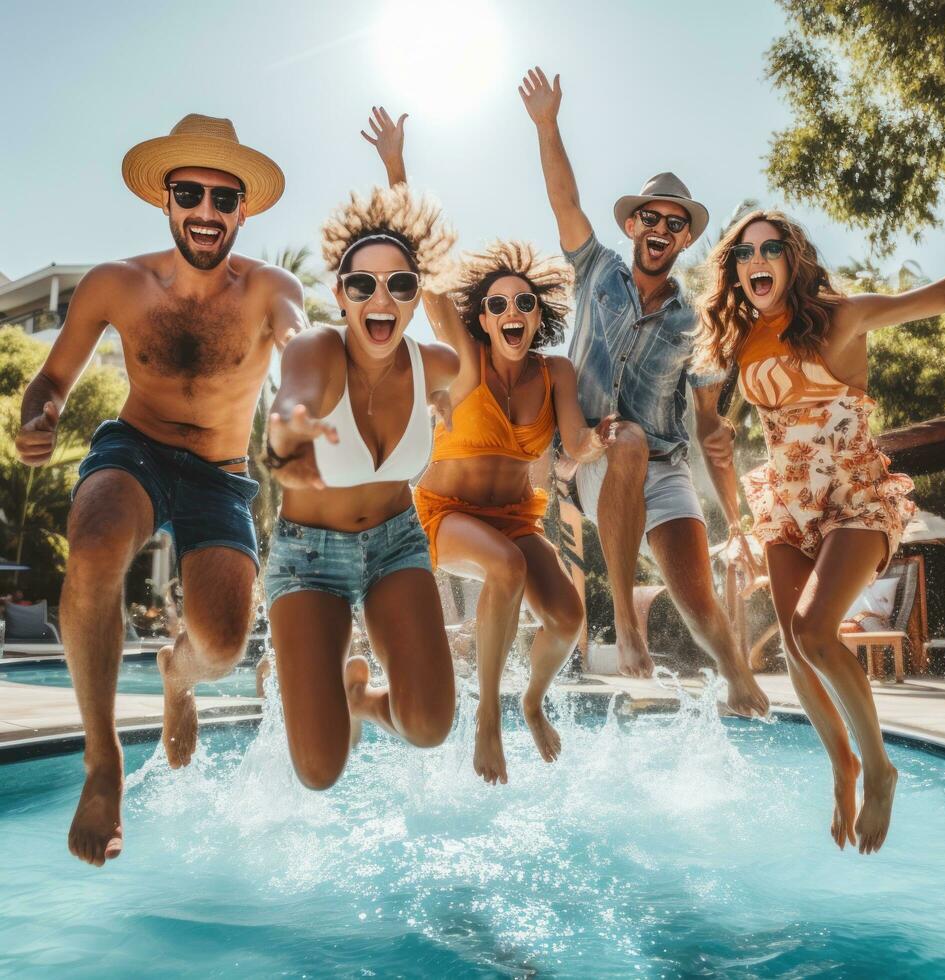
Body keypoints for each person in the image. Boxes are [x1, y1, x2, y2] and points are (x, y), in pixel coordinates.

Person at [15, 114, 300, 867]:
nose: (206, 210)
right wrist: (38, 412)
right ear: (165, 201)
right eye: (189, 193)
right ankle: (102, 760)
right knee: (97, 535)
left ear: (245, 210)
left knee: (223, 644)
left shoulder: (270, 288)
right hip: (134, 446)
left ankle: (179, 677)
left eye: (223, 197)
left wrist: (308, 394)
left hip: (221, 474)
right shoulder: (117, 284)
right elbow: (52, 377)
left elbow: (299, 338)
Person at [697, 208, 945, 852]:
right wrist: (733, 510)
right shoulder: (740, 342)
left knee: (815, 631)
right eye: (744, 254)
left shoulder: (844, 318)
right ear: (736, 272)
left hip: (855, 497)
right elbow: (713, 432)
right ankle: (842, 766)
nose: (757, 260)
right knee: (797, 649)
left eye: (771, 248)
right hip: (789, 506)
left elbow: (944, 296)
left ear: (792, 260)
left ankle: (879, 768)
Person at [363, 106, 617, 785]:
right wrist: (396, 166)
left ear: (538, 317)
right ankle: (486, 722)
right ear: (483, 315)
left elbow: (574, 446)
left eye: (525, 304)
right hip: (442, 514)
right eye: (499, 304)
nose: (512, 313)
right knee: (503, 568)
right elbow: (423, 255)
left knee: (566, 617)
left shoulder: (553, 372)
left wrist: (602, 440)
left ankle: (533, 702)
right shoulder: (463, 348)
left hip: (516, 518)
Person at [519, 67, 769, 717]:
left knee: (699, 601)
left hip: (666, 469)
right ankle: (626, 623)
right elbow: (564, 204)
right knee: (624, 438)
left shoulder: (700, 323)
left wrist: (736, 514)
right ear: (634, 227)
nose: (659, 228)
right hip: (596, 452)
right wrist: (547, 125)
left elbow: (709, 423)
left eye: (673, 223)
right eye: (649, 217)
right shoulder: (598, 270)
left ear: (684, 238)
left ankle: (741, 682)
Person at [263, 183, 459, 790]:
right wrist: (286, 439)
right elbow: (291, 403)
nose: (381, 297)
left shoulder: (439, 365)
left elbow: (467, 374)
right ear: (340, 295)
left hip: (396, 547)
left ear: (415, 295)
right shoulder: (317, 349)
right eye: (362, 285)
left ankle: (366, 702)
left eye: (399, 284)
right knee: (319, 772)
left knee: (428, 727)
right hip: (308, 560)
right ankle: (340, 690)